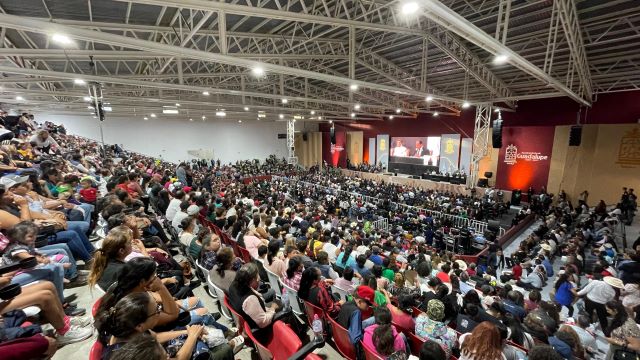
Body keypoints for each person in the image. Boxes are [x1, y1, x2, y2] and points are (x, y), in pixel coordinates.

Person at [227, 263, 282, 342]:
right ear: (252, 280)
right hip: (262, 330)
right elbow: (263, 322)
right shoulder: (250, 300)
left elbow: (257, 298)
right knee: (283, 305)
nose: (258, 278)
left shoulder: (234, 285)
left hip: (250, 316)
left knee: (272, 296)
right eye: (257, 276)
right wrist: (272, 309)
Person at [88, 225, 133, 291]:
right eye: (130, 243)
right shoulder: (124, 270)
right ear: (121, 251)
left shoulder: (104, 262)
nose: (132, 244)